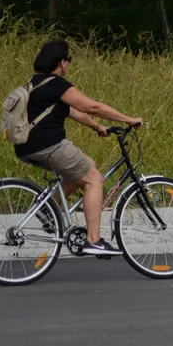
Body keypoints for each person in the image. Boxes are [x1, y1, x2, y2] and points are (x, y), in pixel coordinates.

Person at [15, 39, 143, 258]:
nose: (69, 65)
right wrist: (129, 119)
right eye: (69, 60)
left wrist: (97, 127)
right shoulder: (56, 84)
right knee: (94, 179)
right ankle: (94, 240)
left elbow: (73, 112)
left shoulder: (35, 82)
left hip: (27, 147)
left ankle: (49, 207)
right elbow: (92, 106)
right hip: (49, 145)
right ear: (62, 62)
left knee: (86, 167)